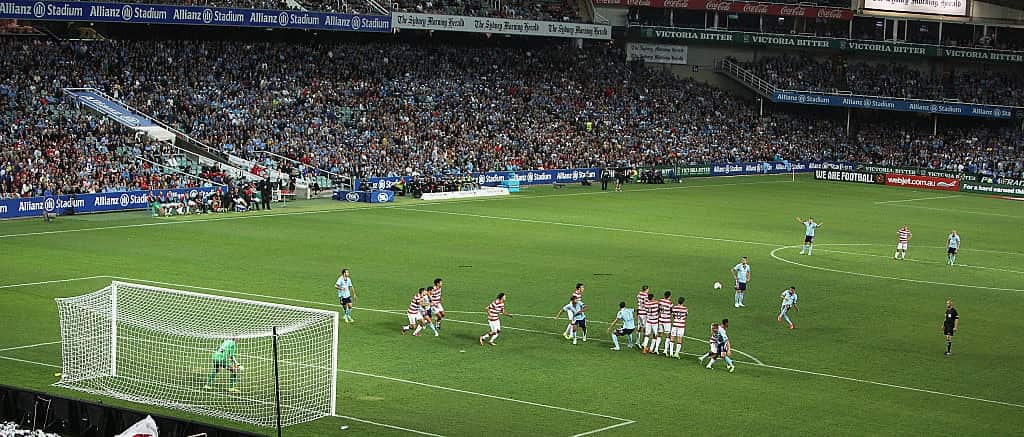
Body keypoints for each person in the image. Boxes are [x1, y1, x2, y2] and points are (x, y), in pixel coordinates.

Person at [656, 290, 674, 355]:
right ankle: (665, 350)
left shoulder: (660, 301)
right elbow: (672, 312)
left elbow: (658, 309)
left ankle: (656, 349)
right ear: (669, 296)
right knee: (668, 335)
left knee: (659, 334)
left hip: (660, 319)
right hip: (667, 321)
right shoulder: (670, 303)